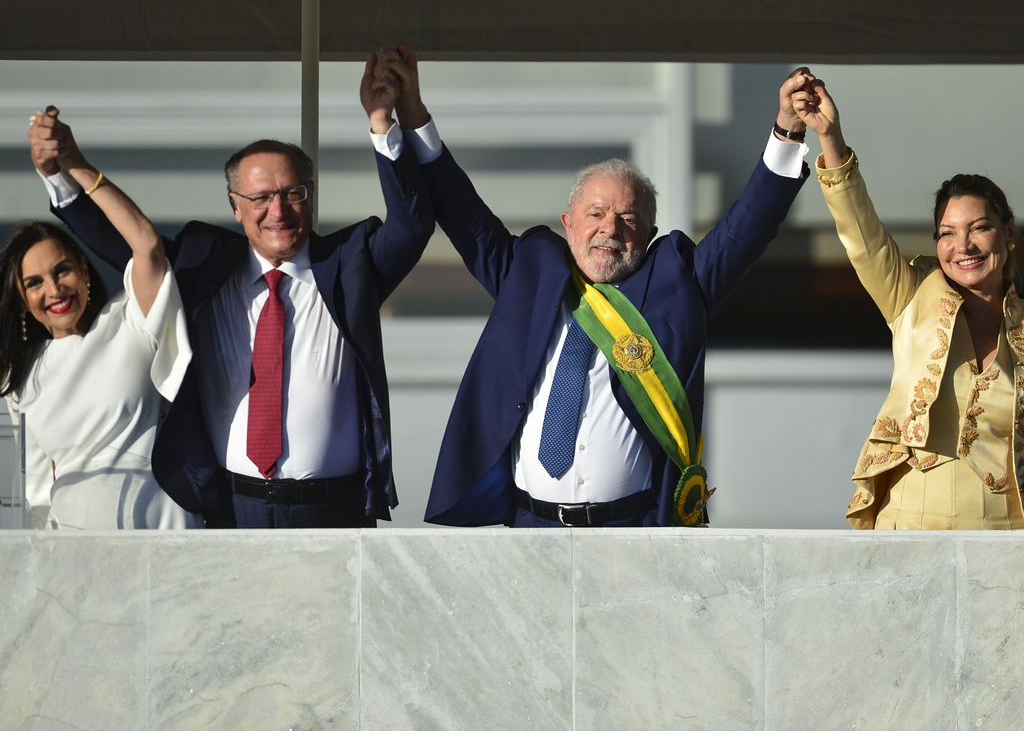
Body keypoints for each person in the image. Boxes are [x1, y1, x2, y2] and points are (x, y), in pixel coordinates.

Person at [374, 46, 810, 526]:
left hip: (631, 533)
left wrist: (787, 130)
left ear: (648, 232)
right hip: (529, 527)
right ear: (568, 223)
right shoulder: (528, 274)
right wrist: (411, 113)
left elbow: (744, 232)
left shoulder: (677, 285)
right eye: (596, 214)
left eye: (628, 218)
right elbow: (461, 212)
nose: (610, 229)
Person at [28, 58, 436, 528]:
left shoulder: (349, 263)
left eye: (292, 193)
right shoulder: (205, 267)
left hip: (332, 510)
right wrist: (62, 172)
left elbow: (412, 225)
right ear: (235, 208)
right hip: (229, 508)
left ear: (310, 196)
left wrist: (383, 124)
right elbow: (124, 243)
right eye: (260, 198)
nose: (278, 210)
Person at [794, 79, 1024, 529]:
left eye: (979, 228)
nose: (964, 246)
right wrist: (830, 138)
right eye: (947, 233)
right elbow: (862, 237)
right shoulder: (912, 294)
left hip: (1005, 533)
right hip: (911, 524)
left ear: (1008, 233)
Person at [1, 116, 198, 529]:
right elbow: (36, 492)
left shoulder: (129, 319)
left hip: (160, 529)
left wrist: (74, 165)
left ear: (85, 272)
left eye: (63, 270)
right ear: (22, 301)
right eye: (34, 283)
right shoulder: (19, 377)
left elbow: (145, 244)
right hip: (74, 543)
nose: (54, 289)